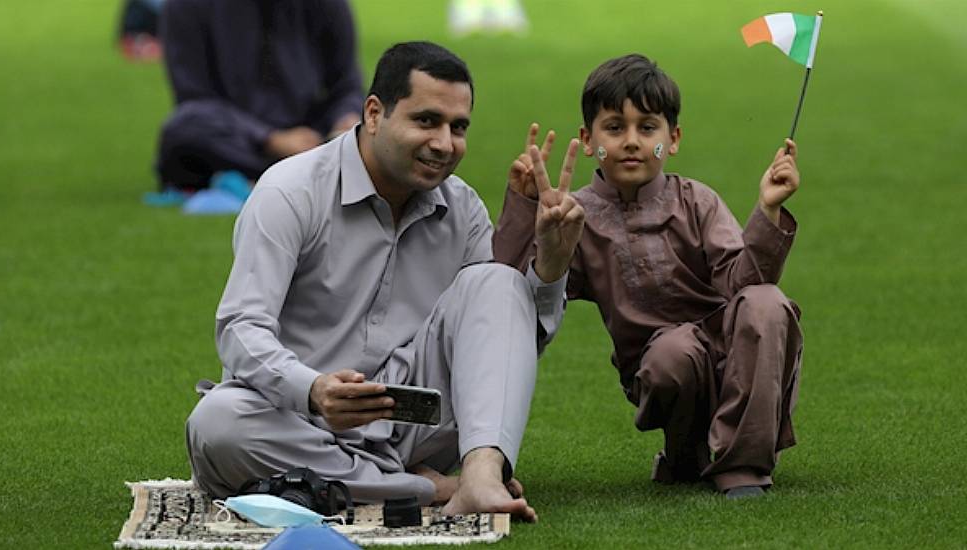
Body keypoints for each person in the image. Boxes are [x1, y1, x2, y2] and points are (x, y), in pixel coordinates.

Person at [185, 41, 585, 522]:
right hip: (297, 418)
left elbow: (498, 353)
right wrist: (313, 390)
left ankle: (477, 475)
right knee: (217, 424)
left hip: (412, 423)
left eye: (458, 128)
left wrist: (552, 267)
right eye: (426, 121)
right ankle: (424, 487)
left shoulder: (464, 210)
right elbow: (240, 329)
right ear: (374, 113)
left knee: (497, 283)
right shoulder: (289, 191)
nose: (444, 143)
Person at [494, 54, 803, 499]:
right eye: (615, 127)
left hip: (736, 355)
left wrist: (768, 209)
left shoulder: (697, 201)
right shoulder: (575, 215)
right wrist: (526, 213)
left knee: (767, 302)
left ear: (672, 138)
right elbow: (520, 301)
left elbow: (744, 284)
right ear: (588, 138)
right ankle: (685, 450)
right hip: (661, 370)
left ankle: (744, 464)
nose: (632, 142)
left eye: (648, 127)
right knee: (673, 353)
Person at [154, 0, 364, 190]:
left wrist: (344, 121)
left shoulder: (327, 5)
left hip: (312, 134)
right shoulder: (186, 6)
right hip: (235, 136)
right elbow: (194, 98)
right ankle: (311, 173)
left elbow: (347, 86)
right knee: (183, 129)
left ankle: (301, 172)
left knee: (379, 125)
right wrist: (270, 139)